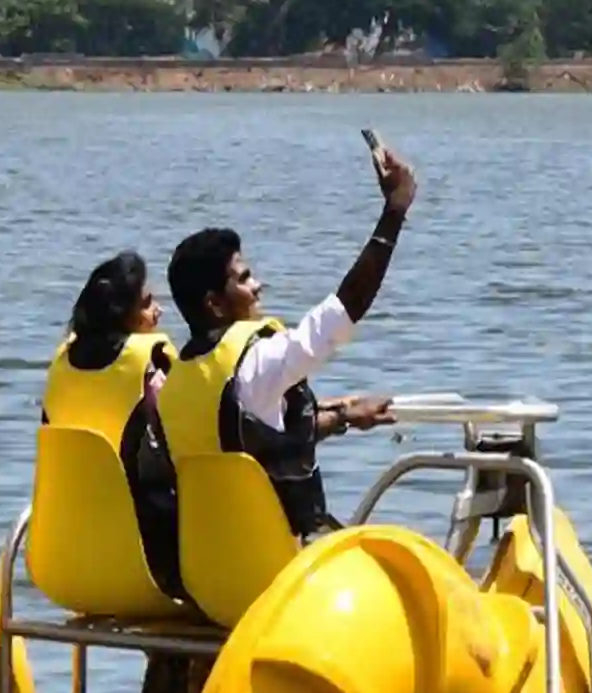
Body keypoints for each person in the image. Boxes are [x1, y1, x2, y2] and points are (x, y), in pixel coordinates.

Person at [159, 138, 419, 544]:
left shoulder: (177, 382)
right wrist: (394, 212)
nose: (258, 286)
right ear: (213, 303)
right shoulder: (256, 363)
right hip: (270, 572)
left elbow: (262, 440)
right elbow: (343, 310)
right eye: (244, 279)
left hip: (208, 578)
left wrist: (346, 416)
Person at [40, 250, 180, 598]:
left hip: (64, 559)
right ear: (123, 315)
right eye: (148, 303)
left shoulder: (60, 367)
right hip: (146, 562)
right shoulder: (152, 369)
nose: (158, 311)